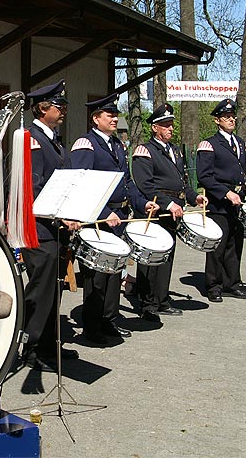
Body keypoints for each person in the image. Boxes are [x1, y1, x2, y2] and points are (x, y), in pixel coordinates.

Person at [70, 94, 159, 344]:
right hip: (98, 221)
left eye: (115, 114)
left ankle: (109, 320)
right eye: (109, 115)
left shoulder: (117, 145)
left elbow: (127, 182)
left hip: (117, 217)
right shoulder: (86, 144)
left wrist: (142, 203)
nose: (114, 118)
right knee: (96, 277)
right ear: (95, 118)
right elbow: (81, 185)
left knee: (114, 273)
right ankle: (92, 327)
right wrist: (102, 213)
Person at [19, 80, 82, 371]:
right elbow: (34, 187)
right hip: (40, 230)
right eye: (60, 105)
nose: (64, 110)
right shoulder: (31, 138)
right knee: (41, 292)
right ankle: (32, 350)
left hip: (56, 229)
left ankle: (48, 345)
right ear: (44, 108)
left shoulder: (53, 138)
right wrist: (60, 215)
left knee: (52, 292)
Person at [131, 103, 208, 322]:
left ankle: (162, 300)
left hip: (174, 209)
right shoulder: (144, 151)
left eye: (171, 124)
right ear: (154, 128)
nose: (170, 128)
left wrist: (194, 197)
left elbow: (182, 182)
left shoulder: (174, 150)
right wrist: (167, 204)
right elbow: (145, 185)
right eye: (165, 125)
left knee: (167, 256)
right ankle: (147, 304)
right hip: (156, 210)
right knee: (151, 258)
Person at [196, 99, 246, 302]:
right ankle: (213, 286)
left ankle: (232, 283)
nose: (231, 119)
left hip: (239, 202)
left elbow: (242, 173)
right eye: (226, 117)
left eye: (232, 116)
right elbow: (205, 176)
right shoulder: (209, 144)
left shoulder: (239, 142)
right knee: (217, 246)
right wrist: (226, 193)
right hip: (220, 202)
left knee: (235, 245)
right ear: (217, 120)